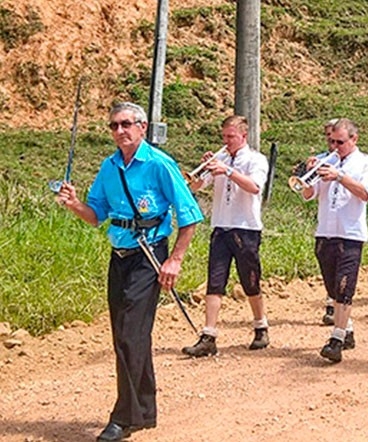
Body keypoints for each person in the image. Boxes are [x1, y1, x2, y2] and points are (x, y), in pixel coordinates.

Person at [52, 102, 205, 442]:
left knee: (129, 336)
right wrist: (75, 203)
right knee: (128, 335)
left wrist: (174, 260)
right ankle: (145, 411)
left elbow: (190, 216)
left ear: (142, 127)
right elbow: (96, 216)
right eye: (113, 126)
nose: (119, 131)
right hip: (118, 256)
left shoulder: (160, 164)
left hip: (149, 257)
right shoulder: (108, 168)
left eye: (126, 124)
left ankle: (124, 416)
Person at [181, 116, 270, 357]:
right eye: (224, 137)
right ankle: (209, 334)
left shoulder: (256, 159)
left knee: (250, 280)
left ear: (244, 136)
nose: (226, 142)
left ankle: (260, 325)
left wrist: (228, 170)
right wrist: (200, 174)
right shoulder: (220, 158)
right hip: (220, 226)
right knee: (215, 280)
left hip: (246, 227)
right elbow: (197, 187)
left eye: (231, 137)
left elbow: (255, 187)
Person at [294, 118, 368, 366]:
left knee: (344, 288)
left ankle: (337, 339)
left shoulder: (366, 163)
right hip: (325, 231)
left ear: (354, 140)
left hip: (350, 233)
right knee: (332, 288)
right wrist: (306, 177)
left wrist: (340, 176)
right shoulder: (326, 161)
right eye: (331, 141)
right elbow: (308, 195)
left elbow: (365, 194)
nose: (335, 147)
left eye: (340, 142)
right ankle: (347, 329)